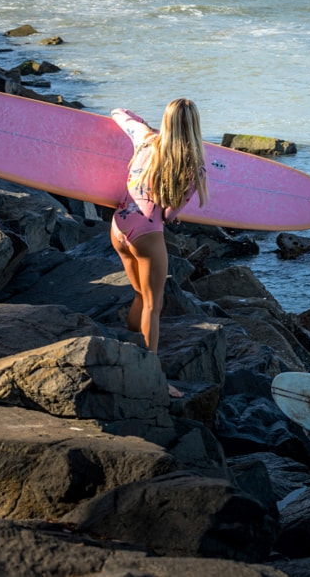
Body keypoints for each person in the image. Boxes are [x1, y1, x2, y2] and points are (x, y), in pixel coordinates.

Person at [110, 99, 207, 397]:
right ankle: (153, 378)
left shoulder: (145, 138)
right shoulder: (193, 166)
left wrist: (148, 126)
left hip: (118, 227)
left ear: (165, 121)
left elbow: (119, 113)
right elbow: (167, 215)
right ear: (194, 126)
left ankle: (130, 354)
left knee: (140, 295)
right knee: (154, 306)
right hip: (147, 234)